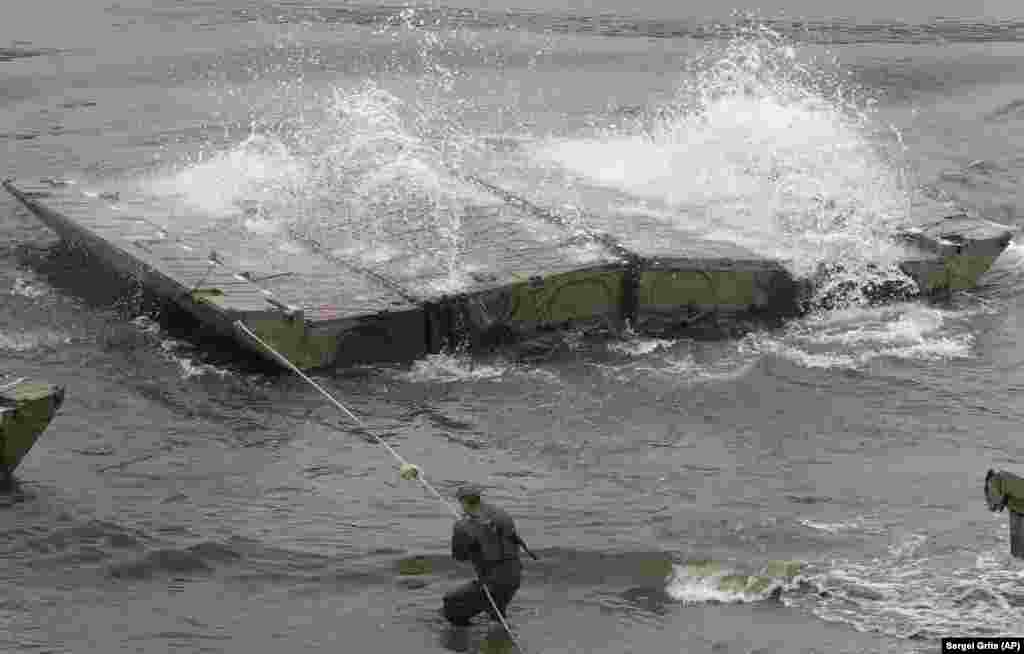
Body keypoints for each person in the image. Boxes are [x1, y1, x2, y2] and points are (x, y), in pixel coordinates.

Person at [442, 484, 524, 627]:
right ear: (479, 498)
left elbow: (459, 557)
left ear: (463, 502)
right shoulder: (502, 514)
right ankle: (498, 631)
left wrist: (465, 536)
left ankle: (465, 636)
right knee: (496, 611)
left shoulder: (462, 526)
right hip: (515, 576)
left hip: (493, 582)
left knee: (450, 603)